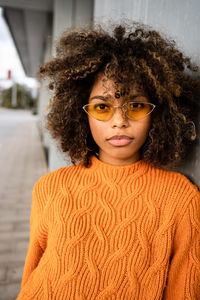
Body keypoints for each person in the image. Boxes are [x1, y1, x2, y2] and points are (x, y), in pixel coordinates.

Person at [17, 21, 200, 299]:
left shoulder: (180, 197)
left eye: (136, 106)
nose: (119, 121)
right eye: (102, 107)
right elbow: (32, 273)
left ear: (158, 113)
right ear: (81, 113)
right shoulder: (49, 187)